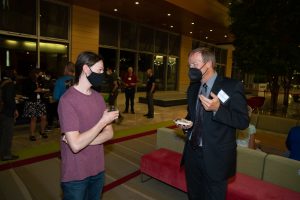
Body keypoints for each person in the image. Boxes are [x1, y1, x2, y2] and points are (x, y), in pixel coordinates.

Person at [179, 47, 249, 200]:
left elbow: (243, 121)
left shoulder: (232, 86)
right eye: (189, 65)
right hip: (192, 153)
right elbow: (192, 115)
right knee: (194, 195)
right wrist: (187, 125)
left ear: (208, 63)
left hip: (216, 157)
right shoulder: (193, 87)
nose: (191, 68)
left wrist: (218, 109)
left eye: (195, 64)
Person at [57, 51, 119, 200]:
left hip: (98, 170)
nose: (103, 74)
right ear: (86, 69)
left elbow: (109, 134)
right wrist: (102, 122)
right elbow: (76, 146)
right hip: (76, 175)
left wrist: (80, 140)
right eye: (100, 70)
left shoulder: (98, 98)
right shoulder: (67, 100)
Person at [23, 69, 48, 141]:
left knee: (44, 117)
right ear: (35, 73)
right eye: (40, 73)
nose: (41, 75)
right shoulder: (28, 81)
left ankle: (42, 132)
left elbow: (43, 87)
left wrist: (43, 90)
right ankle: (32, 134)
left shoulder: (40, 80)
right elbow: (25, 91)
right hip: (32, 101)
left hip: (40, 101)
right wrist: (34, 91)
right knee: (33, 118)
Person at [0, 68, 19, 161]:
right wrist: (15, 109)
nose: (16, 75)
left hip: (2, 111)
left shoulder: (2, 83)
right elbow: (9, 99)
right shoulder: (10, 84)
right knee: (7, 134)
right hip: (7, 112)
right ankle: (6, 154)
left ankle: (2, 152)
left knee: (3, 133)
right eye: (14, 73)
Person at [51, 62, 75, 129]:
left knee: (65, 126)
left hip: (64, 105)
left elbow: (56, 96)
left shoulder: (60, 80)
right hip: (77, 105)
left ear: (65, 69)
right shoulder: (78, 80)